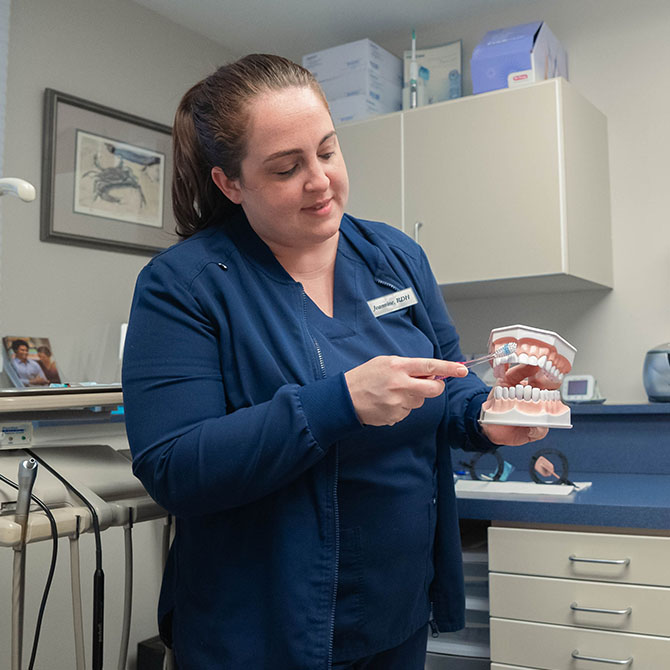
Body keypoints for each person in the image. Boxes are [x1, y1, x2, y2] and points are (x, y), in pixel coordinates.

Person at [122, 54, 548, 670]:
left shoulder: (395, 257)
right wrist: (338, 404)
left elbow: (447, 383)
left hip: (394, 610)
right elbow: (174, 466)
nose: (320, 181)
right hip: (261, 627)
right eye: (286, 168)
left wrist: (487, 416)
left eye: (327, 151)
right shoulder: (184, 286)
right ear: (230, 183)